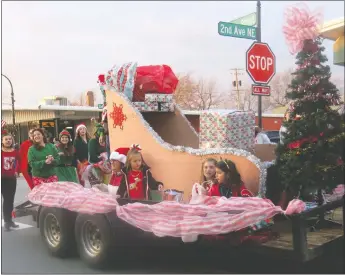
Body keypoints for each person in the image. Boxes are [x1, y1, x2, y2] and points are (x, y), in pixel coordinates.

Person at [1, 131, 20, 231]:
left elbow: (18, 162)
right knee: (6, 200)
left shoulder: (15, 151)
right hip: (2, 179)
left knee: (10, 200)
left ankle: (9, 221)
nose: (8, 141)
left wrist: (17, 171)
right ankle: (7, 221)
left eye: (9, 139)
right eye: (6, 139)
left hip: (11, 179)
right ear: (2, 141)